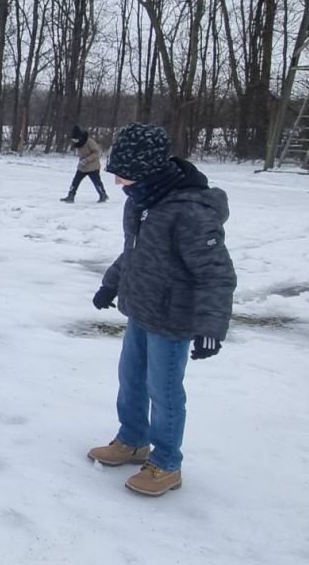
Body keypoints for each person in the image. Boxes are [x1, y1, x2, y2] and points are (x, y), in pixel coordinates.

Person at [88, 122, 237, 497]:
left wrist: (211, 327)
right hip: (141, 309)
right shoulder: (141, 203)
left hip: (173, 320)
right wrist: (111, 284)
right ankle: (133, 440)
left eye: (126, 176)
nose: (121, 183)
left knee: (164, 391)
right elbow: (134, 253)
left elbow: (216, 272)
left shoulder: (189, 212)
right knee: (131, 379)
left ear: (149, 171)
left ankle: (167, 462)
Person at [62, 125, 109, 203]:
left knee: (97, 182)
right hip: (82, 167)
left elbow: (97, 153)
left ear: (80, 137)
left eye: (76, 139)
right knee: (75, 181)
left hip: (93, 166)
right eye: (73, 140)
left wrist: (87, 160)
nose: (74, 141)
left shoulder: (89, 142)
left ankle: (103, 195)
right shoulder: (77, 143)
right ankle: (71, 196)